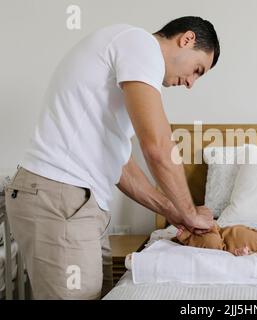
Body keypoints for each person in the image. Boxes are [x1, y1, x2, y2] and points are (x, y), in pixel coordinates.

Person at [5, 16, 220, 299]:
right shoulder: (140, 44)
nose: (191, 83)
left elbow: (120, 166)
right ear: (187, 39)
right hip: (59, 197)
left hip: (77, 204)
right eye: (198, 69)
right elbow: (157, 146)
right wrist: (190, 212)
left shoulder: (127, 61)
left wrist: (173, 211)